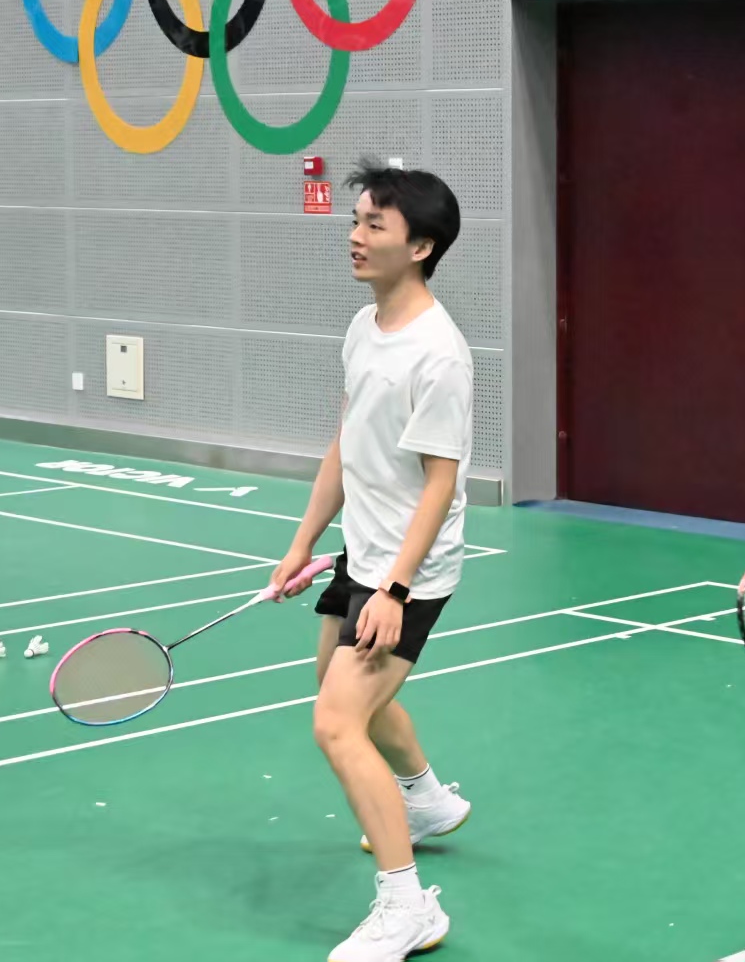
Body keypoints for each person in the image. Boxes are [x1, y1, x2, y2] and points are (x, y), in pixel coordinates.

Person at [273, 159, 476, 962]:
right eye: (354, 221)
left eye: (373, 225)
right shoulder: (364, 327)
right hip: (362, 551)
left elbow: (441, 482)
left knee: (335, 720)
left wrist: (394, 585)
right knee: (339, 685)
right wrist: (302, 541)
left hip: (409, 569)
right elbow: (347, 442)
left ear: (420, 246)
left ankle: (405, 906)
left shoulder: (439, 354)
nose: (354, 236)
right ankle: (425, 800)